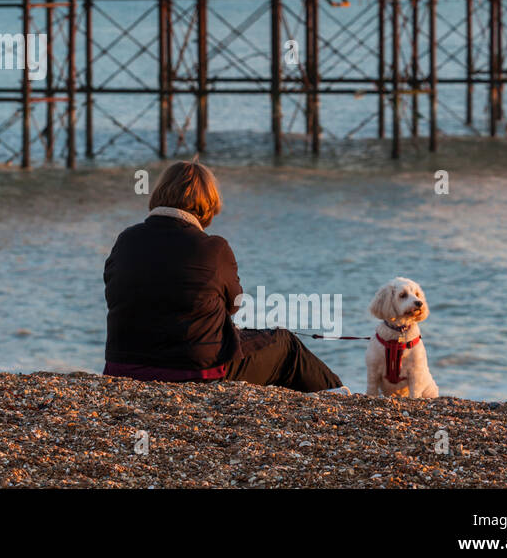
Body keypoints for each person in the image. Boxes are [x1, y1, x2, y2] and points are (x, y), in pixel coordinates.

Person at [103, 160, 345, 392]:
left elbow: (114, 292)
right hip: (194, 370)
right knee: (285, 345)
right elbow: (234, 304)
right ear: (208, 203)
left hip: (123, 368)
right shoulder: (213, 248)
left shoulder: (126, 239)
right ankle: (340, 398)